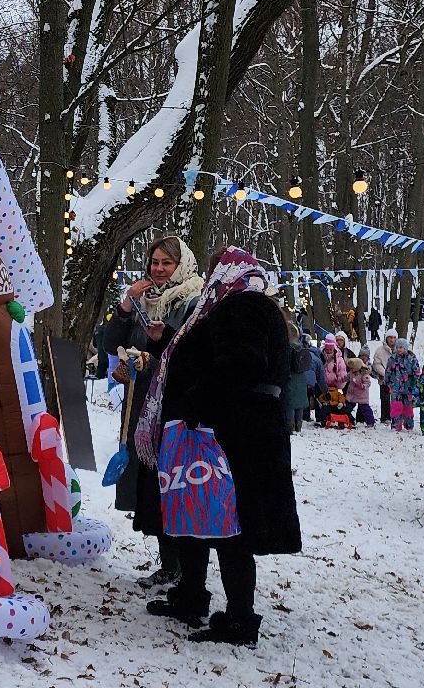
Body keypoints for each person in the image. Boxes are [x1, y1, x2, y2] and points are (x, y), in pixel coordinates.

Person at [142, 247, 301, 646]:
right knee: (199, 519)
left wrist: (195, 403)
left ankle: (239, 619)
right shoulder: (233, 306)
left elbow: (239, 363)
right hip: (227, 430)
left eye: (214, 271)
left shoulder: (243, 306)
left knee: (231, 528)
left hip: (234, 433)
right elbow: (204, 360)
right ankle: (191, 596)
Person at [103, 234, 205, 588]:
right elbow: (107, 344)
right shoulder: (144, 300)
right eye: (154, 262)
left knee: (174, 483)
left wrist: (158, 345)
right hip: (143, 403)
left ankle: (186, 568)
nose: (159, 269)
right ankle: (168, 562)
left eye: (166, 263)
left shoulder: (193, 299)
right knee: (150, 485)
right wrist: (126, 307)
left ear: (181, 265)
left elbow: (192, 353)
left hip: (174, 407)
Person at [281, 327, 315, 434]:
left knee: (290, 403)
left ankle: (290, 426)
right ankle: (298, 426)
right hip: (301, 378)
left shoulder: (287, 347)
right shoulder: (301, 347)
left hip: (290, 377)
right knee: (299, 404)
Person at [383, 337, 420, 432]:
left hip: (408, 387)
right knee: (396, 406)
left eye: (401, 347)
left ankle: (409, 425)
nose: (399, 349)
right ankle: (396, 425)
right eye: (397, 347)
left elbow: (416, 372)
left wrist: (416, 384)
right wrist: (387, 381)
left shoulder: (412, 359)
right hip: (395, 386)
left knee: (408, 407)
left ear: (405, 348)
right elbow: (388, 371)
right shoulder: (392, 358)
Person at [370, 333, 401, 422]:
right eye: (390, 337)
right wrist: (386, 374)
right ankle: (385, 417)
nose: (392, 340)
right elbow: (376, 364)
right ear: (387, 338)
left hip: (397, 379)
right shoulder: (380, 350)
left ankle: (396, 416)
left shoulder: (399, 349)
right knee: (385, 398)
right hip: (383, 378)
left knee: (396, 398)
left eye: (394, 337)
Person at [344, 357, 375, 425]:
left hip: (361, 395)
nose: (351, 369)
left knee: (365, 409)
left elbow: (368, 383)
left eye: (352, 368)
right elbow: (346, 377)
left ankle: (370, 422)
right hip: (352, 395)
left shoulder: (364, 374)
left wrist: (363, 386)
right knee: (347, 408)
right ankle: (350, 420)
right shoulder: (351, 373)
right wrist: (340, 379)